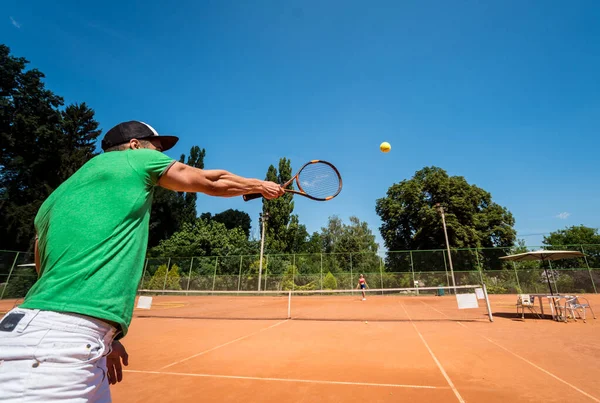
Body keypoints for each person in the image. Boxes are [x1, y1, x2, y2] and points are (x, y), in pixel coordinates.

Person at [0, 121, 285, 402]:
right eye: (157, 148)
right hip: (56, 353)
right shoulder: (134, 160)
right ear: (135, 146)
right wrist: (261, 186)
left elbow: (44, 271)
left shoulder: (55, 198)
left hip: (44, 333)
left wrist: (108, 339)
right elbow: (212, 181)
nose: (161, 156)